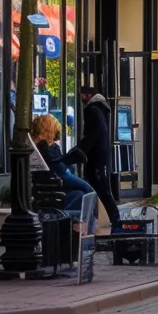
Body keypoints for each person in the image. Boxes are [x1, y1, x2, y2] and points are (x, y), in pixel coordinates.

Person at [64, 86, 118, 221]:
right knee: (101, 188)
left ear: (87, 95)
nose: (81, 99)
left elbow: (91, 136)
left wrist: (76, 152)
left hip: (95, 158)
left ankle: (113, 218)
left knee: (100, 189)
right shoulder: (102, 109)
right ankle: (109, 218)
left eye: (82, 95)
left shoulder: (91, 110)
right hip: (101, 156)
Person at [33, 113, 94, 212]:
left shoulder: (43, 145)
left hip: (58, 177)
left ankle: (73, 217)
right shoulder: (45, 146)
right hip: (60, 177)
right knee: (89, 190)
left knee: (79, 194)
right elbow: (58, 167)